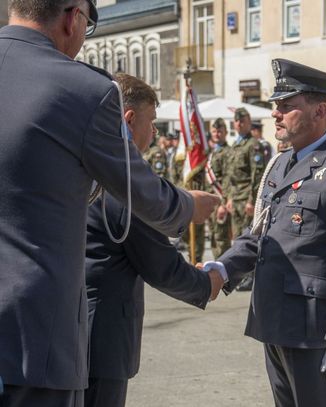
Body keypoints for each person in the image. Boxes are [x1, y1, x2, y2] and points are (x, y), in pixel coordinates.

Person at [0, 1, 219, 405]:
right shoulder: (84, 89)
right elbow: (143, 195)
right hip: (35, 337)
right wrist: (190, 205)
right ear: (73, 18)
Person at [205, 58, 326, 407]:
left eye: (287, 106)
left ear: (320, 111)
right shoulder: (282, 163)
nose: (276, 113)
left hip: (314, 331)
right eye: (277, 105)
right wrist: (223, 267)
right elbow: (261, 232)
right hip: (275, 320)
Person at [84, 73, 224, 407]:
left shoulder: (84, 163)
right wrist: (207, 284)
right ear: (129, 120)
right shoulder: (121, 184)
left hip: (75, 331)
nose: (155, 132)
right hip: (101, 340)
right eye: (153, 122)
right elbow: (160, 265)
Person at [225, 107, 265, 291]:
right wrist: (229, 198)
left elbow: (257, 175)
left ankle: (251, 276)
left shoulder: (254, 145)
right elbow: (230, 175)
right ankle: (241, 276)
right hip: (235, 198)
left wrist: (252, 200)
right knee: (237, 238)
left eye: (243, 121)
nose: (239, 124)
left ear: (249, 122)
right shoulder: (235, 145)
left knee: (248, 239)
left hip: (247, 199)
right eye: (237, 121)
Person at [207, 118, 232, 258]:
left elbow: (228, 179)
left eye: (220, 131)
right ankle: (217, 264)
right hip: (211, 200)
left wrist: (223, 203)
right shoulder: (212, 152)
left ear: (226, 133)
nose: (216, 134)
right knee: (213, 236)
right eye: (214, 131)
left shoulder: (228, 152)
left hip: (220, 201)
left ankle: (223, 268)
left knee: (221, 238)